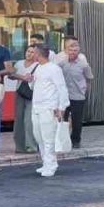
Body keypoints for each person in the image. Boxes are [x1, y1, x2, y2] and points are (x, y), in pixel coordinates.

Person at [31, 43, 70, 178]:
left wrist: (62, 107)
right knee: (39, 137)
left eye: (33, 52)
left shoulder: (54, 69)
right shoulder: (37, 68)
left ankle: (51, 165)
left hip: (49, 108)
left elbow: (62, 88)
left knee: (48, 138)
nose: (31, 55)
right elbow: (35, 86)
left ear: (39, 54)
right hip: (36, 107)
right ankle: (45, 163)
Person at [54, 37, 94, 149]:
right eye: (70, 50)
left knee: (77, 120)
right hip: (63, 96)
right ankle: (63, 141)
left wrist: (84, 90)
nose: (73, 53)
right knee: (62, 119)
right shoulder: (60, 62)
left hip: (78, 95)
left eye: (75, 50)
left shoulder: (83, 63)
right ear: (65, 51)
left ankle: (76, 141)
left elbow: (89, 77)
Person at [9, 45, 40, 154]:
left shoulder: (38, 65)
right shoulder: (19, 63)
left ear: (36, 54)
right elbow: (11, 75)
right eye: (28, 51)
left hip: (33, 95)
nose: (29, 54)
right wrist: (22, 77)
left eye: (32, 52)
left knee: (29, 120)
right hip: (20, 93)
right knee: (18, 120)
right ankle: (19, 146)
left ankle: (31, 146)